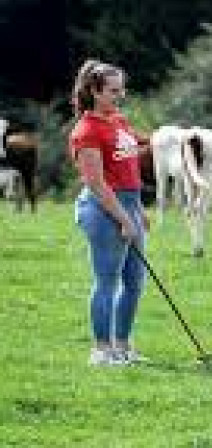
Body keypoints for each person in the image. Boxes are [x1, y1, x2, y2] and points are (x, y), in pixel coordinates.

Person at [69, 60, 149, 366]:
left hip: (129, 204)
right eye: (113, 90)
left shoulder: (120, 121)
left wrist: (138, 210)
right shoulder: (86, 130)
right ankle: (101, 351)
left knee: (134, 282)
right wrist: (123, 218)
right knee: (107, 281)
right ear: (94, 91)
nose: (120, 95)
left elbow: (129, 170)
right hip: (104, 209)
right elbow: (96, 183)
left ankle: (123, 346)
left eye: (121, 89)